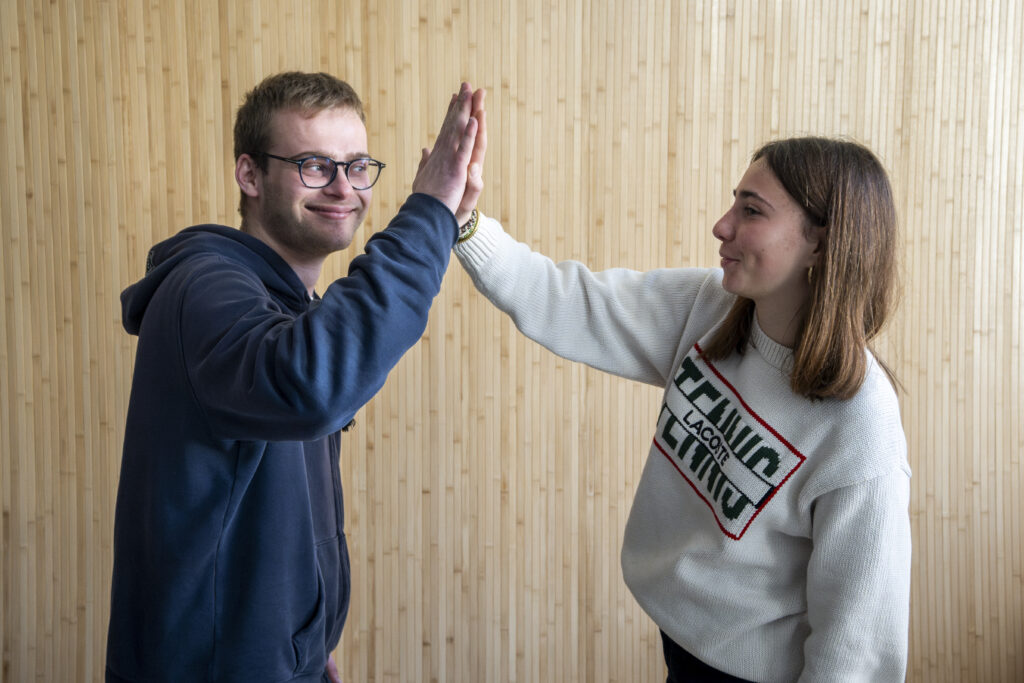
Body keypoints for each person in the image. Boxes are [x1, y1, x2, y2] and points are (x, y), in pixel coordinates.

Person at [454, 137, 910, 682]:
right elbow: (568, 300)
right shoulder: (710, 307)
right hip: (683, 654)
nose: (722, 226)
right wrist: (464, 223)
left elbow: (858, 645)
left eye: (751, 211)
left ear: (822, 242)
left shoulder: (861, 421)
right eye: (733, 202)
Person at [106, 72, 486, 683]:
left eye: (358, 165)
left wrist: (306, 646)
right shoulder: (204, 289)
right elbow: (313, 386)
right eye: (314, 165)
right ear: (250, 175)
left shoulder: (283, 309)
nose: (343, 188)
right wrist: (429, 212)